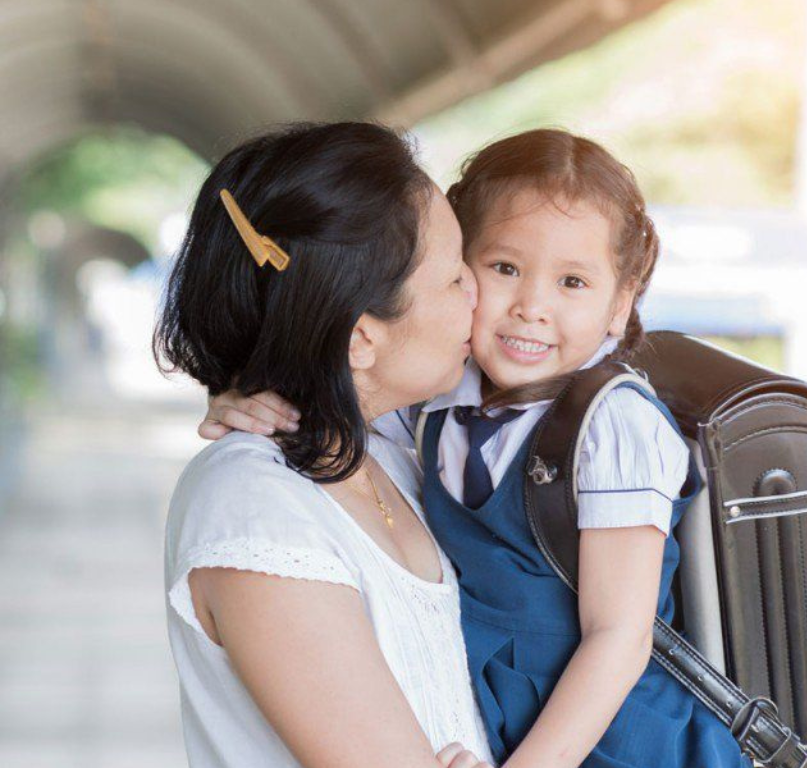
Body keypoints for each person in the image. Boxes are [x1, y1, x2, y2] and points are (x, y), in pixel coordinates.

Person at [205, 129, 750, 768]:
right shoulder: (437, 398)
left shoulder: (615, 425)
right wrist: (242, 399)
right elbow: (339, 399)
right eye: (505, 268)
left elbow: (618, 637)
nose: (531, 307)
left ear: (619, 304)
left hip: (611, 736)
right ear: (463, 272)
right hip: (501, 716)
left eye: (572, 282)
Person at [154, 121, 494, 768]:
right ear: (361, 340)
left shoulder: (388, 448)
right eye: (454, 279)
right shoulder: (256, 510)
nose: (481, 293)